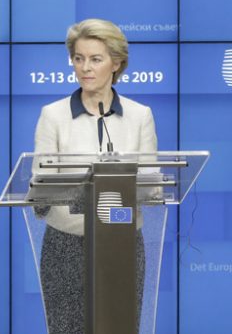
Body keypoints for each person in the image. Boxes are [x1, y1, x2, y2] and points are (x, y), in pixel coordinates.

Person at [33, 18, 157, 334]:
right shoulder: (53, 115)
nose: (85, 67)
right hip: (65, 245)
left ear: (116, 63)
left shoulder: (140, 116)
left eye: (95, 59)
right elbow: (40, 190)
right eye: (79, 58)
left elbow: (152, 187)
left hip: (123, 243)